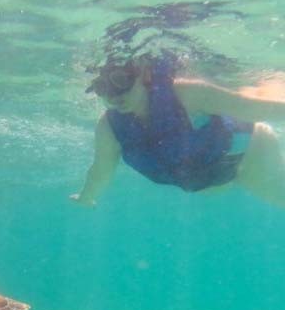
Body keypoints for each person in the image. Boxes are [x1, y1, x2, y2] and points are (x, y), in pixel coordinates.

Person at [71, 55, 285, 207]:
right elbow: (101, 171)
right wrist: (87, 196)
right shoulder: (109, 127)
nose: (113, 95)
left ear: (143, 72)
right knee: (214, 190)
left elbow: (256, 108)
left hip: (251, 153)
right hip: (214, 178)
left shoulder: (187, 94)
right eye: (102, 87)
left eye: (120, 80)